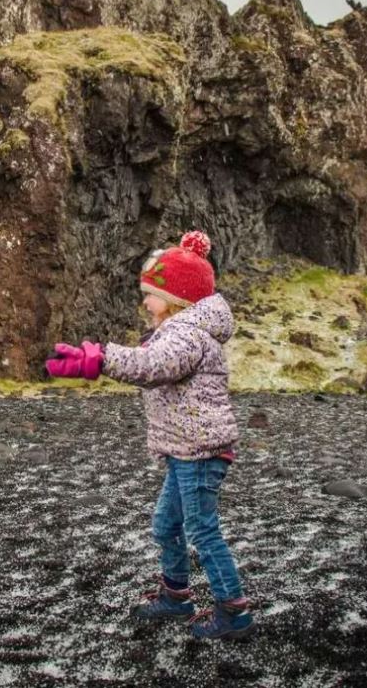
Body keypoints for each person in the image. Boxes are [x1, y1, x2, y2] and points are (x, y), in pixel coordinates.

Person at [45, 230, 254, 641]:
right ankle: (176, 595)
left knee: (202, 530)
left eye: (151, 292)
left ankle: (233, 612)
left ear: (177, 297)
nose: (145, 300)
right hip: (184, 450)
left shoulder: (187, 333)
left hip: (199, 451)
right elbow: (153, 360)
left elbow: (152, 365)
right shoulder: (182, 331)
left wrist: (101, 358)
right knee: (165, 525)